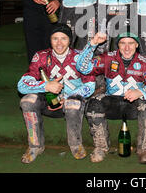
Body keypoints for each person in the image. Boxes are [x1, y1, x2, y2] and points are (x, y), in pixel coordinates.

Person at [76, 31, 146, 164]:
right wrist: (92, 44)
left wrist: (140, 92)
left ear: (137, 45)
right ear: (118, 45)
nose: (127, 48)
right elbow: (82, 67)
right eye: (123, 43)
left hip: (133, 106)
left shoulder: (144, 62)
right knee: (93, 103)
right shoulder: (108, 58)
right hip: (113, 103)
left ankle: (144, 150)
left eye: (131, 43)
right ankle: (101, 147)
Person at [17, 24, 96, 163]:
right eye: (55, 39)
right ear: (50, 40)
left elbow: (90, 85)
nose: (59, 43)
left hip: (72, 103)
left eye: (63, 39)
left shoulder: (79, 57)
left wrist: (70, 96)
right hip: (49, 102)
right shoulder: (41, 56)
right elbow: (22, 85)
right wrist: (46, 85)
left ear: (69, 40)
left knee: (72, 103)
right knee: (26, 101)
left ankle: (75, 144)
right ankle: (35, 146)